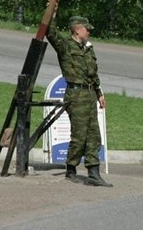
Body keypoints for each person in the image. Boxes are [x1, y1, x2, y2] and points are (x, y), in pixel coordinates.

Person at [46, 11, 112, 187]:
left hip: (90, 94)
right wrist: (52, 14)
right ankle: (71, 169)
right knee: (79, 135)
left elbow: (92, 74)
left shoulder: (88, 48)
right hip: (76, 95)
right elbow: (50, 33)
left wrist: (99, 93)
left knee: (94, 135)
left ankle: (93, 173)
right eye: (86, 29)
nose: (89, 32)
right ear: (76, 29)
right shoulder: (65, 46)